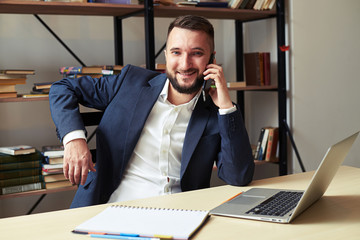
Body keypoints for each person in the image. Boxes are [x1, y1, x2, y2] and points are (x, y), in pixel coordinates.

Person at [49, 15, 254, 208]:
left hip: (182, 214)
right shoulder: (130, 83)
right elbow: (62, 88)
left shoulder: (218, 113)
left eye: (197, 53)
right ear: (166, 55)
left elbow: (238, 176)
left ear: (212, 59)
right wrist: (74, 140)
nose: (185, 64)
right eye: (176, 52)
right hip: (115, 208)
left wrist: (227, 108)